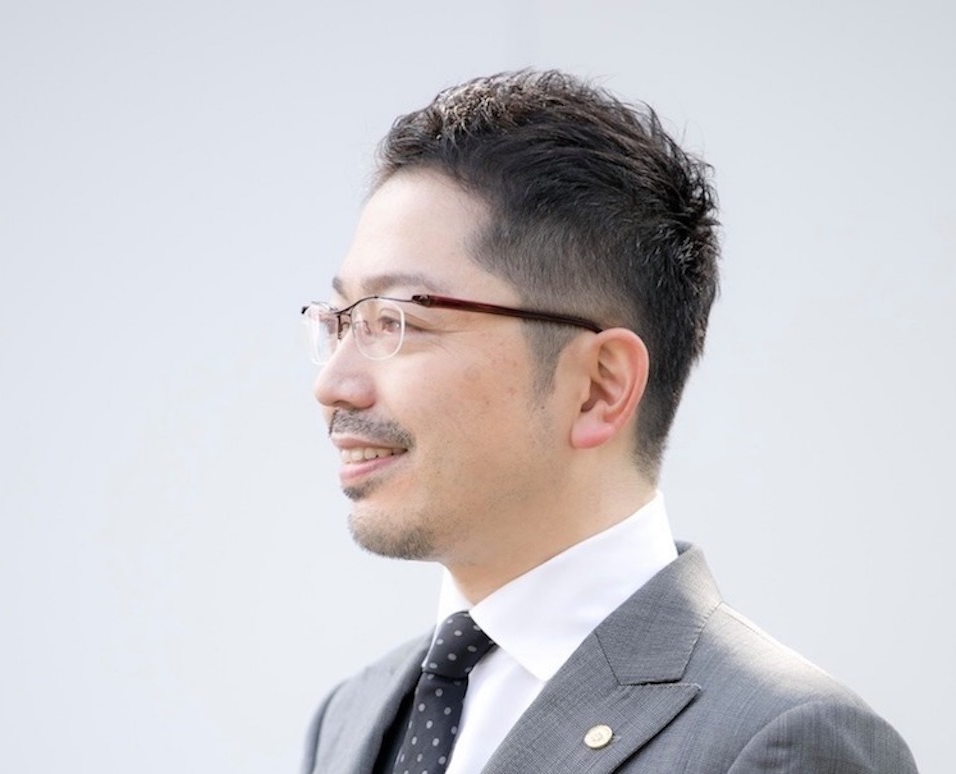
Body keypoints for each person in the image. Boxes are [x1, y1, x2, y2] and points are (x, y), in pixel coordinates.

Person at [298, 70, 917, 773]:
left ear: (599, 387)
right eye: (340, 320)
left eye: (396, 321)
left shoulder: (778, 740)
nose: (333, 384)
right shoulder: (353, 715)